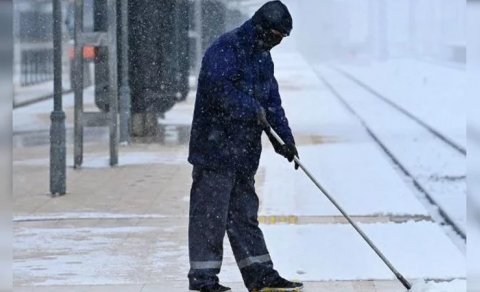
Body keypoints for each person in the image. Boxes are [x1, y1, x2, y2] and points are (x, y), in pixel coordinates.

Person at [187, 1, 302, 291]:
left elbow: (272, 102)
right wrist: (251, 109)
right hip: (215, 150)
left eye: (282, 39)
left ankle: (260, 276)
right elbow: (219, 91)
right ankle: (203, 281)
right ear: (263, 28)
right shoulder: (226, 48)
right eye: (276, 36)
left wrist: (285, 139)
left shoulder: (263, 57)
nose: (277, 43)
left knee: (243, 217)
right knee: (209, 218)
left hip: (243, 153)